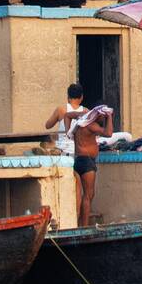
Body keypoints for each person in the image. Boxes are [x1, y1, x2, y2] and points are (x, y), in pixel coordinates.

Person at [44, 83, 88, 218]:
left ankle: (68, 218)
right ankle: (76, 219)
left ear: (68, 97)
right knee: (79, 188)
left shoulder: (61, 110)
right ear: (81, 97)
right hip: (80, 153)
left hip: (63, 154)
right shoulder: (86, 112)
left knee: (67, 186)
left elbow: (47, 125)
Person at [71, 104, 114, 227]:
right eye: (102, 116)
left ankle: (77, 224)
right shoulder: (91, 125)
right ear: (97, 114)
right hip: (87, 162)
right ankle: (84, 226)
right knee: (88, 195)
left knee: (79, 196)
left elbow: (68, 116)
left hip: (78, 160)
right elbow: (109, 133)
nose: (102, 119)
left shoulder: (79, 125)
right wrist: (109, 117)